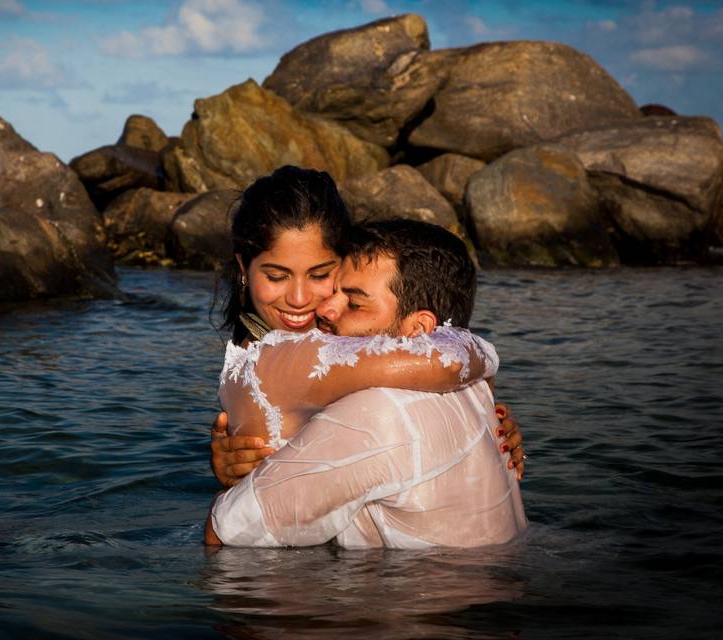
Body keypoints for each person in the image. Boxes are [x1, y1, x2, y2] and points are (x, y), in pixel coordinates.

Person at [205, 219, 527, 548]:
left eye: (354, 302)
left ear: (418, 331)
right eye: (335, 290)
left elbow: (222, 533)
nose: (323, 308)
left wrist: (236, 490)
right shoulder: (472, 392)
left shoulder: (374, 412)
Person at [208, 165, 525, 484]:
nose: (300, 298)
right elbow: (447, 364)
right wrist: (480, 378)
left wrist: (484, 420)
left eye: (320, 275)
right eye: (276, 276)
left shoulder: (313, 343)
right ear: (244, 268)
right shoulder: (281, 357)